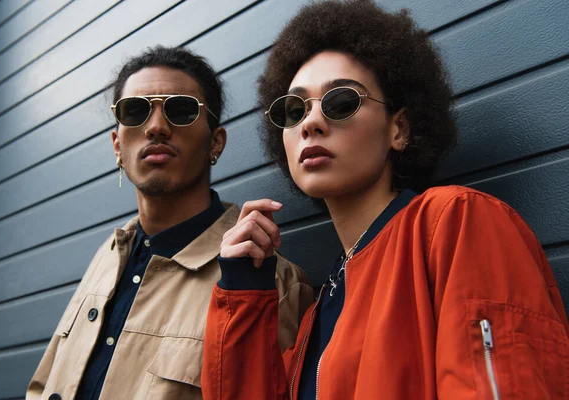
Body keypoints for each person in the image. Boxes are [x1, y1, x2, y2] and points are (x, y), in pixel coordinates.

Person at [201, 1, 569, 399]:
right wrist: (244, 288)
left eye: (341, 101)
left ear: (399, 129)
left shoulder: (456, 222)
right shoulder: (320, 309)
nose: (310, 123)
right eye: (294, 110)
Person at [26, 46, 314, 400]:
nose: (156, 127)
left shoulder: (269, 281)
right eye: (135, 111)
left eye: (180, 110)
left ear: (216, 143)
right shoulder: (108, 255)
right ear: (117, 145)